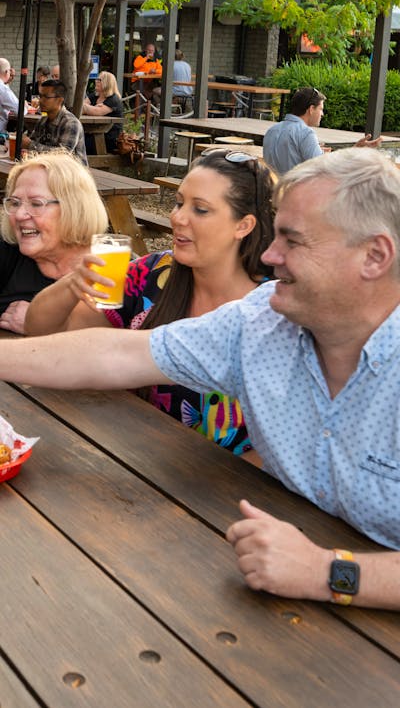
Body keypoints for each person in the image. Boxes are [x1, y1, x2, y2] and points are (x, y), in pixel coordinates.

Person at [3, 147, 400, 609]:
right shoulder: (262, 321)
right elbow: (112, 353)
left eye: (294, 240)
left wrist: (327, 572)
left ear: (374, 256)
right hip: (265, 589)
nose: (271, 255)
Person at [25, 149, 275, 458]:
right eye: (179, 202)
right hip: (127, 461)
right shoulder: (151, 272)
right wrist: (71, 285)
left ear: (244, 225)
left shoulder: (273, 309)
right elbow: (46, 335)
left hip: (223, 492)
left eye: (200, 209)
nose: (178, 218)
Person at [0, 151, 108, 334]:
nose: (19, 214)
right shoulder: (7, 251)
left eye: (35, 204)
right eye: (15, 203)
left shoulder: (115, 266)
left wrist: (39, 324)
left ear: (73, 208)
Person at [263, 86, 380, 175]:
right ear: (311, 109)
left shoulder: (271, 130)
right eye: (321, 109)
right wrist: (355, 150)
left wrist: (317, 151)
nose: (322, 114)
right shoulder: (306, 133)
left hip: (274, 194)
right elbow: (325, 170)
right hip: (298, 199)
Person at [22, 79, 88, 166]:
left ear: (60, 100)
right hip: (49, 169)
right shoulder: (43, 120)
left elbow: (62, 155)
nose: (40, 101)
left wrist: (30, 145)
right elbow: (32, 143)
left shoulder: (71, 123)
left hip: (72, 174)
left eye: (46, 97)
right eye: (40, 96)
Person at [81, 71, 124, 154]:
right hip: (93, 132)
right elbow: (81, 107)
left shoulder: (113, 99)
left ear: (107, 83)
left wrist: (90, 109)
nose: (96, 81)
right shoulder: (95, 95)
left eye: (99, 80)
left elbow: (96, 112)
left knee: (82, 144)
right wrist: (91, 108)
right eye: (97, 79)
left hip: (108, 136)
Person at [0, 57, 23, 135]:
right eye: (10, 73)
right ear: (7, 72)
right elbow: (20, 110)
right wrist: (25, 104)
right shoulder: (2, 88)